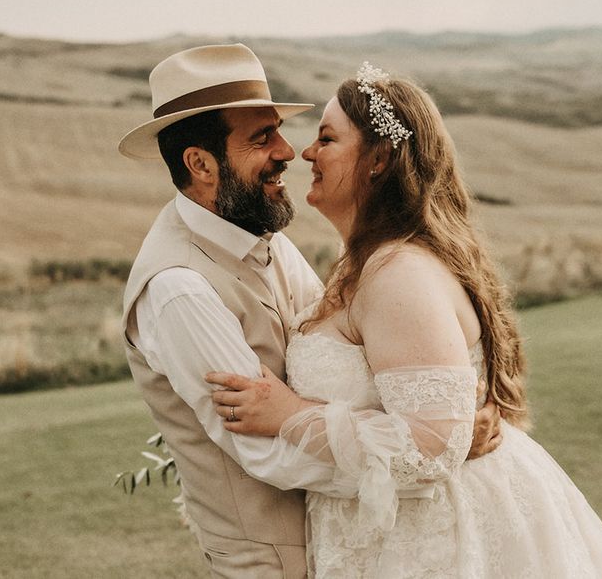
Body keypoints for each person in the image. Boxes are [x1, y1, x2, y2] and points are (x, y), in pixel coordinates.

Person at [205, 63, 602, 577]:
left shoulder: (399, 273)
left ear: (380, 159)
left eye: (326, 139)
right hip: (386, 531)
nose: (306, 152)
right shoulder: (365, 263)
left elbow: (431, 447)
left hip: (437, 540)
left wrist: (290, 415)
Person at [118, 45, 503, 578]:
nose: (287, 151)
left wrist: (439, 429)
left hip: (363, 543)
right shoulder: (179, 290)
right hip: (274, 560)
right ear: (200, 164)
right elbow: (265, 452)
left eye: (279, 129)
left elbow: (355, 358)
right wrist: (439, 457)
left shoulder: (269, 243)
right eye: (261, 138)